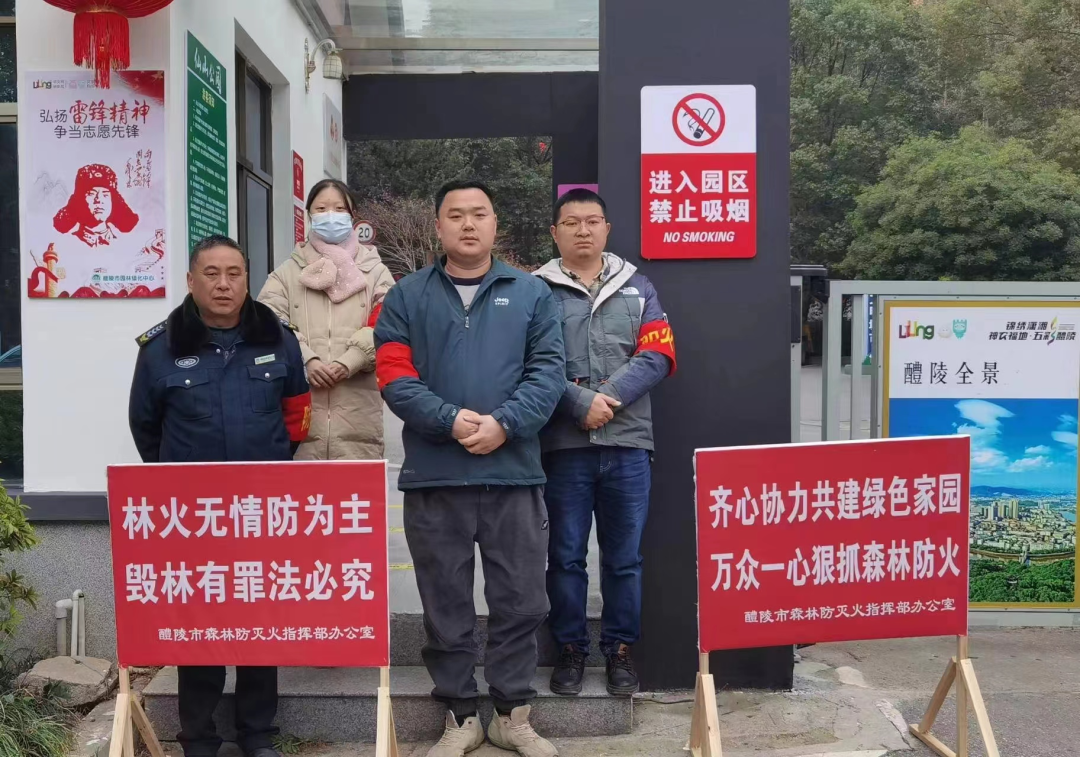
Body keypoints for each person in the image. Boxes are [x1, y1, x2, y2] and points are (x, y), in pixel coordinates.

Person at [374, 180, 565, 757]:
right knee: (445, 604)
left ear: (494, 223)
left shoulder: (531, 293)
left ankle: (511, 714)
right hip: (436, 477)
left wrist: (506, 423)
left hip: (513, 475)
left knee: (522, 601)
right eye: (455, 215)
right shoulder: (406, 296)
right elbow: (394, 376)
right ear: (438, 227)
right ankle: (460, 715)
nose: (467, 224)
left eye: (479, 213)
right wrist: (449, 419)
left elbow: (548, 372)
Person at [128, 235, 311, 757]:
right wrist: (180, 483)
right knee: (199, 629)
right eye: (211, 273)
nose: (224, 283)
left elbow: (296, 416)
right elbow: (145, 427)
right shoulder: (160, 349)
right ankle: (199, 737)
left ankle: (258, 734)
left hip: (260, 512)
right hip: (194, 517)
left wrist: (267, 464)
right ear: (191, 281)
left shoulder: (279, 339)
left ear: (247, 280)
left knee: (260, 624)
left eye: (234, 273)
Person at [533, 188, 676, 697]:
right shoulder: (535, 291)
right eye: (571, 222)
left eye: (592, 221)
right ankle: (571, 649)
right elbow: (529, 364)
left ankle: (619, 651)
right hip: (564, 447)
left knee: (624, 559)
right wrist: (577, 403)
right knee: (565, 556)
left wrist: (605, 399)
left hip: (628, 445)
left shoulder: (638, 287)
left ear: (607, 229)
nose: (583, 230)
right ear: (555, 232)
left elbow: (658, 354)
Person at [258, 178, 394, 460]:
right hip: (302, 411)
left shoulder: (376, 271)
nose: (330, 215)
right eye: (321, 209)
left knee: (355, 487)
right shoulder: (287, 272)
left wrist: (352, 359)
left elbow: (390, 321)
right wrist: (306, 359)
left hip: (358, 416)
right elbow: (268, 321)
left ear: (352, 215)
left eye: (339, 208)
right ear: (309, 214)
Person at [53, 164, 139, 248]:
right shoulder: (68, 243)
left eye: (105, 195)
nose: (98, 200)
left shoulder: (123, 245)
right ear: (80, 200)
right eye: (91, 194)